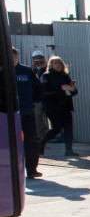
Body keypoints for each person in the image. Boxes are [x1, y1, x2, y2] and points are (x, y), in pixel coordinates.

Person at [10, 48, 43, 178]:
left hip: (27, 112)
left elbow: (38, 88)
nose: (12, 59)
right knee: (10, 143)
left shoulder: (27, 71)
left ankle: (32, 169)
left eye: (14, 57)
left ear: (17, 57)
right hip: (8, 114)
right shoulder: (3, 72)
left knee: (31, 141)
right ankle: (11, 169)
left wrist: (34, 101)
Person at [38, 56, 78, 157]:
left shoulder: (65, 76)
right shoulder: (46, 76)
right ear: (51, 65)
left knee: (68, 128)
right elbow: (44, 92)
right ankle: (41, 143)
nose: (58, 65)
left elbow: (74, 92)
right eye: (56, 63)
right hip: (52, 107)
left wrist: (71, 89)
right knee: (57, 128)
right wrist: (60, 89)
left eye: (60, 63)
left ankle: (69, 150)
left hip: (66, 105)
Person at [30, 49, 48, 137]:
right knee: (38, 116)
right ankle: (40, 135)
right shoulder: (30, 71)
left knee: (51, 116)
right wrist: (33, 69)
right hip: (38, 99)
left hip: (48, 97)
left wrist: (45, 67)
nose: (38, 61)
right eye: (36, 59)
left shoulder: (48, 69)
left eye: (40, 58)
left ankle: (52, 134)